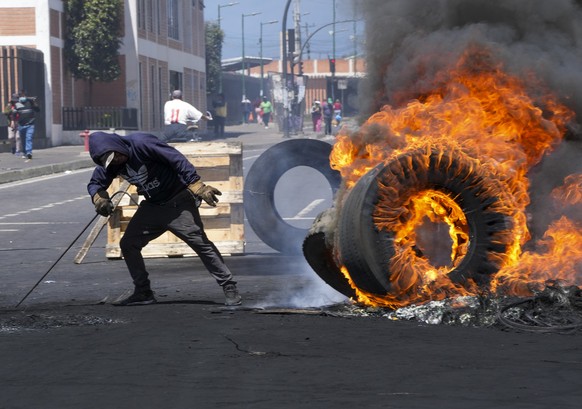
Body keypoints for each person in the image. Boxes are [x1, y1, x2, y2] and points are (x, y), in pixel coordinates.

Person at [86, 131, 242, 307]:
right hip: (153, 206)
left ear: (118, 145)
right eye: (110, 160)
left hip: (178, 202)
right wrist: (99, 199)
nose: (116, 161)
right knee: (128, 244)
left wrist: (197, 185)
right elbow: (95, 184)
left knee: (200, 243)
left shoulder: (142, 143)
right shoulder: (110, 163)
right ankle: (143, 292)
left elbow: (177, 159)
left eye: (116, 156)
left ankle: (229, 286)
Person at [15, 90, 40, 160]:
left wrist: (34, 102)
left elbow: (37, 110)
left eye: (23, 96)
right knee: (23, 139)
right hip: (21, 125)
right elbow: (14, 113)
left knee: (28, 138)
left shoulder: (30, 102)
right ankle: (24, 152)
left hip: (30, 124)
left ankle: (29, 152)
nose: (22, 97)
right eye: (21, 96)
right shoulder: (17, 103)